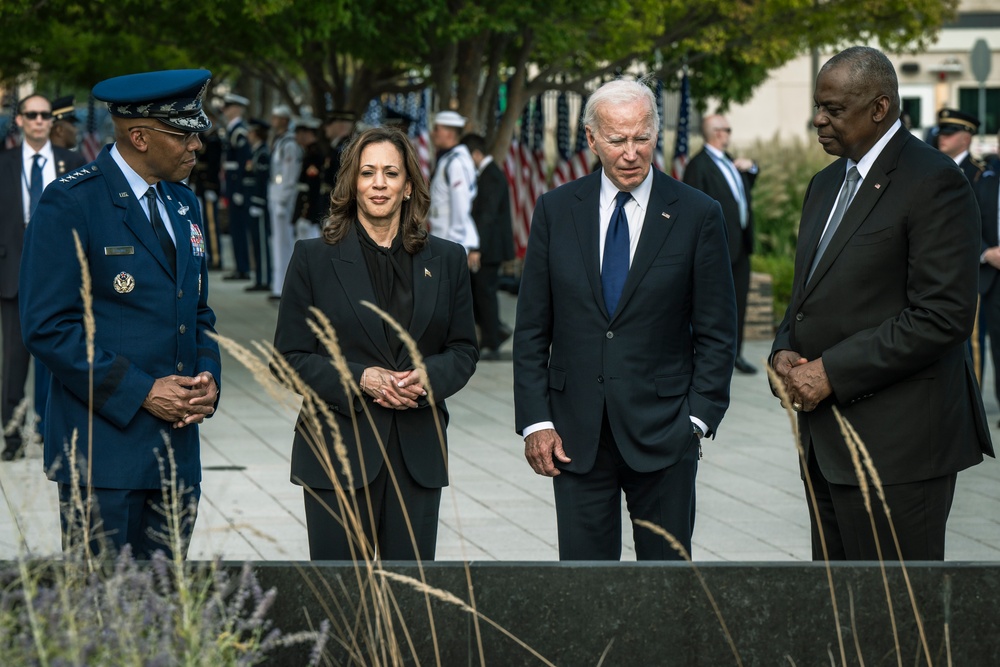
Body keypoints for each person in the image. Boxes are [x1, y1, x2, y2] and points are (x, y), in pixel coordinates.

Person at [770, 46, 994, 561]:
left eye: (833, 108)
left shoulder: (934, 181)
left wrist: (831, 371)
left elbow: (943, 315)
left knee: (896, 621)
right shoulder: (825, 184)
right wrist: (784, 347)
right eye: (816, 106)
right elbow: (806, 295)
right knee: (841, 620)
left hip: (900, 449)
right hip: (826, 445)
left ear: (880, 108)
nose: (818, 120)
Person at [512, 79, 738, 561]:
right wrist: (536, 421)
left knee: (665, 583)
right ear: (591, 139)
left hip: (665, 434)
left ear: (656, 133)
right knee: (586, 586)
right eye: (617, 140)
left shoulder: (698, 214)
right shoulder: (555, 210)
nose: (631, 152)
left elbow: (718, 332)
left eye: (642, 137)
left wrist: (696, 420)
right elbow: (532, 328)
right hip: (574, 436)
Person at [19, 69, 222, 559]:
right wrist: (144, 391)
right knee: (103, 619)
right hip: (103, 458)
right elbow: (48, 328)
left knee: (173, 618)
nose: (196, 145)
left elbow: (197, 312)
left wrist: (208, 378)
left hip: (176, 457)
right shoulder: (72, 201)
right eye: (183, 134)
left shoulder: (184, 203)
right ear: (139, 136)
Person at [272, 126, 477, 560]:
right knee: (346, 605)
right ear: (352, 183)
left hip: (416, 454)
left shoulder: (447, 259)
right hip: (336, 453)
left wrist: (427, 378)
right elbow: (288, 357)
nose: (379, 184)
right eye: (367, 173)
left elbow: (463, 350)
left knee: (408, 600)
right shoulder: (313, 258)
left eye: (390, 173)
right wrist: (359, 378)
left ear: (408, 186)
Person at [1, 93, 85, 461]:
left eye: (44, 115)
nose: (38, 120)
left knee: (61, 355)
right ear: (19, 120)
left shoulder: (74, 162)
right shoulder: (3, 163)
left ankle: (51, 429)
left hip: (62, 277)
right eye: (31, 115)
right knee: (15, 357)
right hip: (13, 273)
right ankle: (11, 432)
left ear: (53, 121)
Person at [684, 114, 759, 375]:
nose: (729, 133)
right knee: (712, 306)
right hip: (716, 248)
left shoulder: (729, 161)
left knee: (738, 302)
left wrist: (752, 167)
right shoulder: (698, 165)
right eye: (727, 129)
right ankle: (708, 357)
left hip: (740, 246)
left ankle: (735, 354)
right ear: (717, 132)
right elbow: (692, 210)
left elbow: (742, 191)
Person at [460, 133, 515, 360]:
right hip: (487, 247)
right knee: (481, 292)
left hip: (489, 249)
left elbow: (488, 216)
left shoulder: (491, 176)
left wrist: (476, 248)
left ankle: (493, 338)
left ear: (476, 154)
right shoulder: (485, 174)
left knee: (485, 293)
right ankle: (491, 335)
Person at [428, 111, 479, 256]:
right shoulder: (448, 159)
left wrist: (453, 243)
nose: (433, 133)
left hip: (450, 238)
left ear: (449, 134)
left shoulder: (456, 162)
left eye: (437, 129)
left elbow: (461, 205)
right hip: (441, 235)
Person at [266, 105, 302, 302]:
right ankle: (278, 285)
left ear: (285, 121)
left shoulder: (289, 144)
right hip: (276, 196)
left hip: (283, 199)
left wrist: (282, 199)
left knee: (284, 244)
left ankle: (283, 287)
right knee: (278, 244)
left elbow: (289, 175)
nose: (274, 121)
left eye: (277, 118)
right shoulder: (280, 141)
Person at [220, 93, 253, 281]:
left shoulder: (239, 131)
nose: (226, 111)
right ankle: (240, 266)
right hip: (232, 186)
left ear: (237, 109)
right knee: (235, 228)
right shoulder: (233, 130)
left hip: (237, 187)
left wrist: (239, 190)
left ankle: (243, 268)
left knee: (239, 228)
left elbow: (243, 164)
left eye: (229, 107)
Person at [245, 118, 271, 292]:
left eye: (251, 132)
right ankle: (260, 277)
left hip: (259, 204)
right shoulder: (256, 152)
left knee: (261, 242)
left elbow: (261, 180)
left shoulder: (262, 153)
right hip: (253, 202)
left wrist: (258, 202)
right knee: (255, 241)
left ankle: (264, 279)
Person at [291, 116, 327, 241]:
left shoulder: (314, 154)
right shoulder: (308, 152)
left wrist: (307, 213)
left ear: (307, 133)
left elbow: (313, 186)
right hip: (305, 208)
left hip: (309, 210)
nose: (296, 136)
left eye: (299, 133)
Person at [935, 108, 985, 185]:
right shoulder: (934, 166)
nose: (942, 137)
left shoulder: (978, 172)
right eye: (941, 133)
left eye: (948, 134)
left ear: (966, 139)